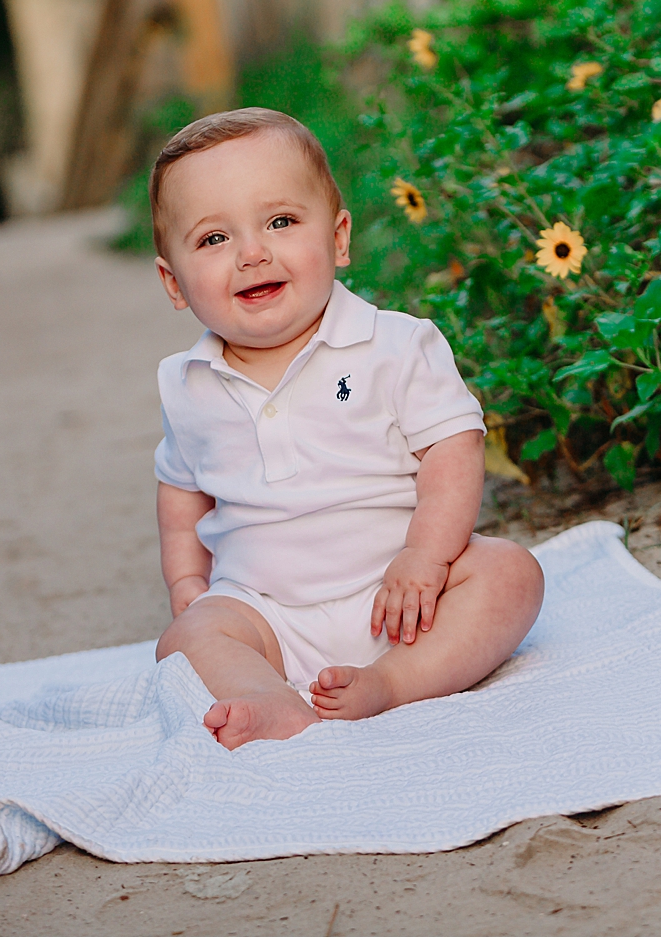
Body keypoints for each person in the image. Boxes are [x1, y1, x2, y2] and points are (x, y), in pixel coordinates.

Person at [148, 108, 545, 749]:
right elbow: (179, 489)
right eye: (214, 239)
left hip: (403, 600)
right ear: (174, 282)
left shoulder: (394, 344)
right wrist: (188, 585)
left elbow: (452, 447)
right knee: (185, 640)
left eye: (280, 222)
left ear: (338, 239)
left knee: (510, 575)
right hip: (265, 613)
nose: (253, 253)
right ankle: (267, 696)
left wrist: (426, 558)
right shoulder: (186, 383)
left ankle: (393, 682)